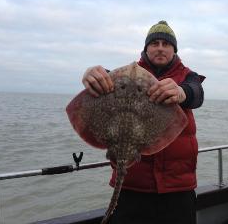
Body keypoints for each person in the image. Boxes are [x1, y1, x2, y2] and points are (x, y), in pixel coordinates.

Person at [82, 20, 205, 224]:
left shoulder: (187, 75)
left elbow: (197, 92)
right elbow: (105, 78)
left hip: (178, 188)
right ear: (145, 48)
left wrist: (182, 92)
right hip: (132, 186)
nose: (160, 48)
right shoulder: (128, 76)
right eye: (154, 43)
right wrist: (93, 73)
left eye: (166, 44)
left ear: (174, 50)